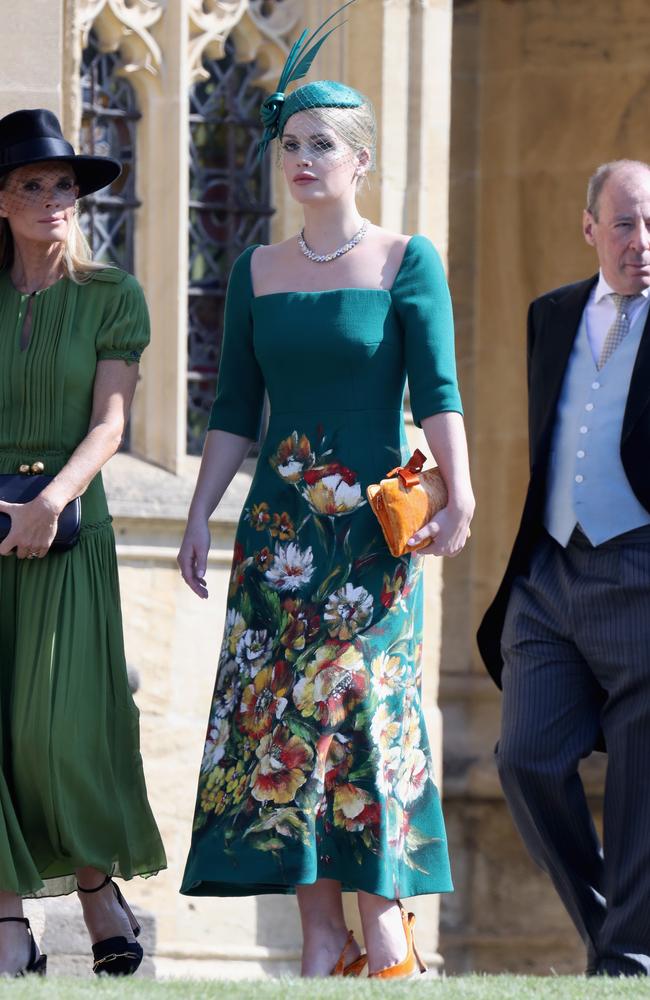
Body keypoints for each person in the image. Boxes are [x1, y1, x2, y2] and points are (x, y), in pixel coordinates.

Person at [178, 6, 473, 980]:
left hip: (369, 544)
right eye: (289, 144)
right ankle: (317, 940)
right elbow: (232, 409)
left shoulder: (404, 261)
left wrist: (457, 500)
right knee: (281, 724)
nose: (301, 159)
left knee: (364, 710)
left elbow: (437, 393)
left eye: (321, 145)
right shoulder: (255, 269)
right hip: (275, 540)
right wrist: (197, 514)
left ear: (358, 160)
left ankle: (383, 926)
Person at [0, 108, 166, 977]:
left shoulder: (113, 295)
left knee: (59, 735)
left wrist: (51, 503)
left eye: (64, 185)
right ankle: (8, 927)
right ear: (2, 200)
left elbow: (111, 424)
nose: (53, 199)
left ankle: (99, 889)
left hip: (68, 532)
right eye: (32, 185)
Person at [478, 159, 650, 976]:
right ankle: (611, 930)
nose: (641, 243)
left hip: (641, 570)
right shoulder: (550, 315)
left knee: (641, 780)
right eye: (624, 224)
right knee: (525, 757)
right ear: (590, 229)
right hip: (548, 574)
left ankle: (627, 961)